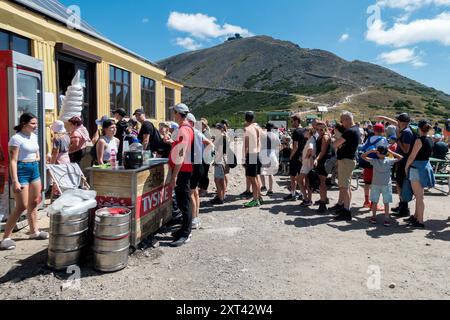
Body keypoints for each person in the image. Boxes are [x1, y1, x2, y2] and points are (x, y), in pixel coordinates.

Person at [1, 113, 49, 251]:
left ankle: (34, 232)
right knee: (21, 206)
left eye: (36, 123)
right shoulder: (16, 139)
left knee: (34, 202)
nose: (36, 126)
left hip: (34, 169)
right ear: (24, 124)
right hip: (21, 170)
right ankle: (6, 237)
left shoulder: (33, 136)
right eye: (33, 123)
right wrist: (15, 180)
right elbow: (13, 161)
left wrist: (37, 157)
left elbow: (37, 152)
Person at [377, 113, 415, 218]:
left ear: (402, 122)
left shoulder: (406, 133)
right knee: (399, 183)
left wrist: (397, 139)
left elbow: (406, 150)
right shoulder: (403, 128)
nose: (396, 122)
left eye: (398, 121)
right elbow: (394, 122)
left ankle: (404, 208)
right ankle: (402, 205)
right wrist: (384, 117)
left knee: (401, 184)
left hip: (403, 162)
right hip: (401, 161)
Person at [168, 103, 194, 247]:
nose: (173, 114)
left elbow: (181, 154)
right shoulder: (187, 129)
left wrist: (174, 176)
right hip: (184, 169)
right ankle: (184, 229)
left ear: (178, 113)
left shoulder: (183, 130)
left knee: (184, 203)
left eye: (174, 112)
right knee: (183, 201)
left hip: (182, 170)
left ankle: (186, 233)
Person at [404, 120, 436, 229]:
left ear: (419, 128)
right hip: (425, 168)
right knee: (419, 196)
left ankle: (420, 221)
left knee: (419, 196)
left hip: (416, 169)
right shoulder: (430, 140)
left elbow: (412, 156)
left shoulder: (419, 140)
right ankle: (416, 216)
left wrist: (406, 166)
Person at [362, 146, 403, 227]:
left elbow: (362, 156)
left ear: (377, 153)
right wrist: (391, 152)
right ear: (386, 153)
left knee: (374, 202)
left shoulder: (374, 161)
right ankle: (386, 219)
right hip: (386, 184)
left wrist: (371, 151)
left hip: (375, 184)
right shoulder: (389, 161)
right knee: (386, 203)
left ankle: (373, 217)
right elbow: (400, 157)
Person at [332, 111, 361, 221]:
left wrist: (335, 139)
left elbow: (335, 144)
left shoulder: (349, 131)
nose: (341, 123)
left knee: (344, 186)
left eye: (342, 120)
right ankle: (346, 208)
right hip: (349, 160)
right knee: (346, 186)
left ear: (347, 119)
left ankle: (346, 211)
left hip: (346, 160)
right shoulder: (356, 129)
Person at [186, 113, 213, 230]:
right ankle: (196, 217)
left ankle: (193, 219)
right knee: (195, 191)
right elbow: (210, 144)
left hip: (194, 164)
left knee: (191, 192)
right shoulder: (198, 132)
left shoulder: (191, 132)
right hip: (200, 164)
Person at [361, 123, 388, 210]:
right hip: (377, 163)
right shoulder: (383, 139)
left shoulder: (369, 138)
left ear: (374, 130)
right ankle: (373, 204)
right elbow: (385, 151)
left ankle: (366, 201)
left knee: (367, 183)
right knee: (375, 184)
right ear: (382, 131)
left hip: (367, 161)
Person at [243, 111, 263, 208]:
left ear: (245, 119)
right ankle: (259, 197)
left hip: (251, 155)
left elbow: (246, 145)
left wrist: (243, 158)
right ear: (253, 118)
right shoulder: (257, 128)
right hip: (257, 153)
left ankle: (255, 200)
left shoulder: (247, 129)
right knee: (256, 177)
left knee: (252, 178)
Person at [284, 114, 306, 201]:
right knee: (301, 176)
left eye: (292, 121)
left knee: (293, 176)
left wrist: (291, 156)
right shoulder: (305, 130)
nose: (291, 123)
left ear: (297, 121)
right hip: (302, 156)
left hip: (296, 156)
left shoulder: (296, 132)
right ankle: (301, 194)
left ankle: (293, 194)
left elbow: (295, 146)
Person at [314, 121, 332, 213]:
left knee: (322, 182)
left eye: (321, 129)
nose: (319, 131)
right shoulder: (322, 136)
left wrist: (316, 159)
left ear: (325, 128)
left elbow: (323, 151)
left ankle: (323, 203)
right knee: (322, 182)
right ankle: (324, 199)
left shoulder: (325, 137)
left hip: (323, 161)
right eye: (317, 129)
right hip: (321, 161)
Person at [260, 123, 280, 196]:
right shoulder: (275, 135)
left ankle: (263, 185)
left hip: (264, 154)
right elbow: (279, 145)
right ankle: (270, 190)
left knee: (261, 171)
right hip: (272, 154)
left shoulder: (262, 135)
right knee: (270, 173)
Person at [298, 128, 316, 207]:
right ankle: (308, 199)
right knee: (307, 182)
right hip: (308, 164)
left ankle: (306, 198)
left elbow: (310, 149)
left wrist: (305, 157)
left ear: (309, 132)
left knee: (299, 180)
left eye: (305, 131)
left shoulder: (311, 140)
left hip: (306, 164)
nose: (303, 133)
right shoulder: (311, 139)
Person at [211, 123, 228, 205]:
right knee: (221, 179)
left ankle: (220, 198)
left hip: (220, 161)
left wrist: (215, 161)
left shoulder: (220, 137)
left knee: (217, 180)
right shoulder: (223, 136)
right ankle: (222, 196)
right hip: (223, 160)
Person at [199, 118, 212, 197]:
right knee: (201, 173)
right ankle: (201, 188)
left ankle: (204, 189)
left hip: (206, 156)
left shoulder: (207, 133)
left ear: (204, 125)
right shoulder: (201, 132)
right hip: (201, 155)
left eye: (202, 124)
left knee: (205, 173)